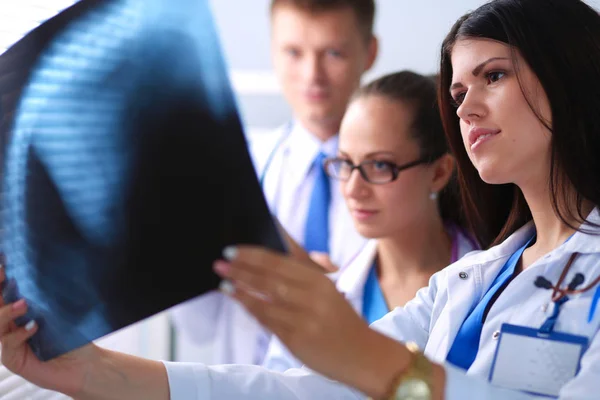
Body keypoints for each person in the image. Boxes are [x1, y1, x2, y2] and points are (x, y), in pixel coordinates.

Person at [3, 0, 600, 399]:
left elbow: (362, 366)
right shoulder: (468, 282)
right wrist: (86, 370)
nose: (464, 109)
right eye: (458, 88)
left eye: (492, 76)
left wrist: (373, 361)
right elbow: (287, 389)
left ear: (570, 75)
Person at [169, 0, 377, 365]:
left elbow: (403, 324)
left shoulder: (406, 179)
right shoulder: (235, 170)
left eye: (333, 52)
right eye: (293, 52)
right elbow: (198, 329)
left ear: (369, 52)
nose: (312, 75)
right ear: (272, 53)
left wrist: (320, 283)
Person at [262, 70, 479, 371]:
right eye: (345, 163)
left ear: (439, 173)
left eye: (379, 165)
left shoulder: (492, 286)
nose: (353, 189)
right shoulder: (334, 296)